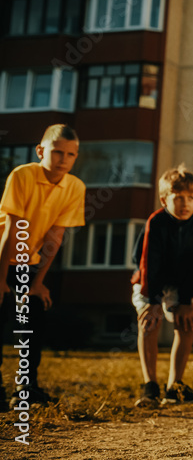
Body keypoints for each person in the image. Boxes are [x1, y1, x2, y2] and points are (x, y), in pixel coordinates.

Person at [0, 124, 86, 409]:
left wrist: (37, 282)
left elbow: (55, 236)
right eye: (57, 152)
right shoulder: (22, 175)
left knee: (32, 317)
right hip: (1, 256)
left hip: (28, 263)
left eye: (71, 154)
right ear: (41, 151)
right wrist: (1, 281)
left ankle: (26, 387)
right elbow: (11, 229)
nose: (64, 159)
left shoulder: (74, 187)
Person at [131, 164, 193, 407]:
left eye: (191, 198)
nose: (186, 203)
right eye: (179, 198)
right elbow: (148, 262)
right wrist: (154, 301)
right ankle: (150, 387)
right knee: (149, 322)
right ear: (164, 200)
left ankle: (174, 387)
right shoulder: (155, 222)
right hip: (149, 281)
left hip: (182, 285)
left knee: (186, 324)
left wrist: (188, 301)